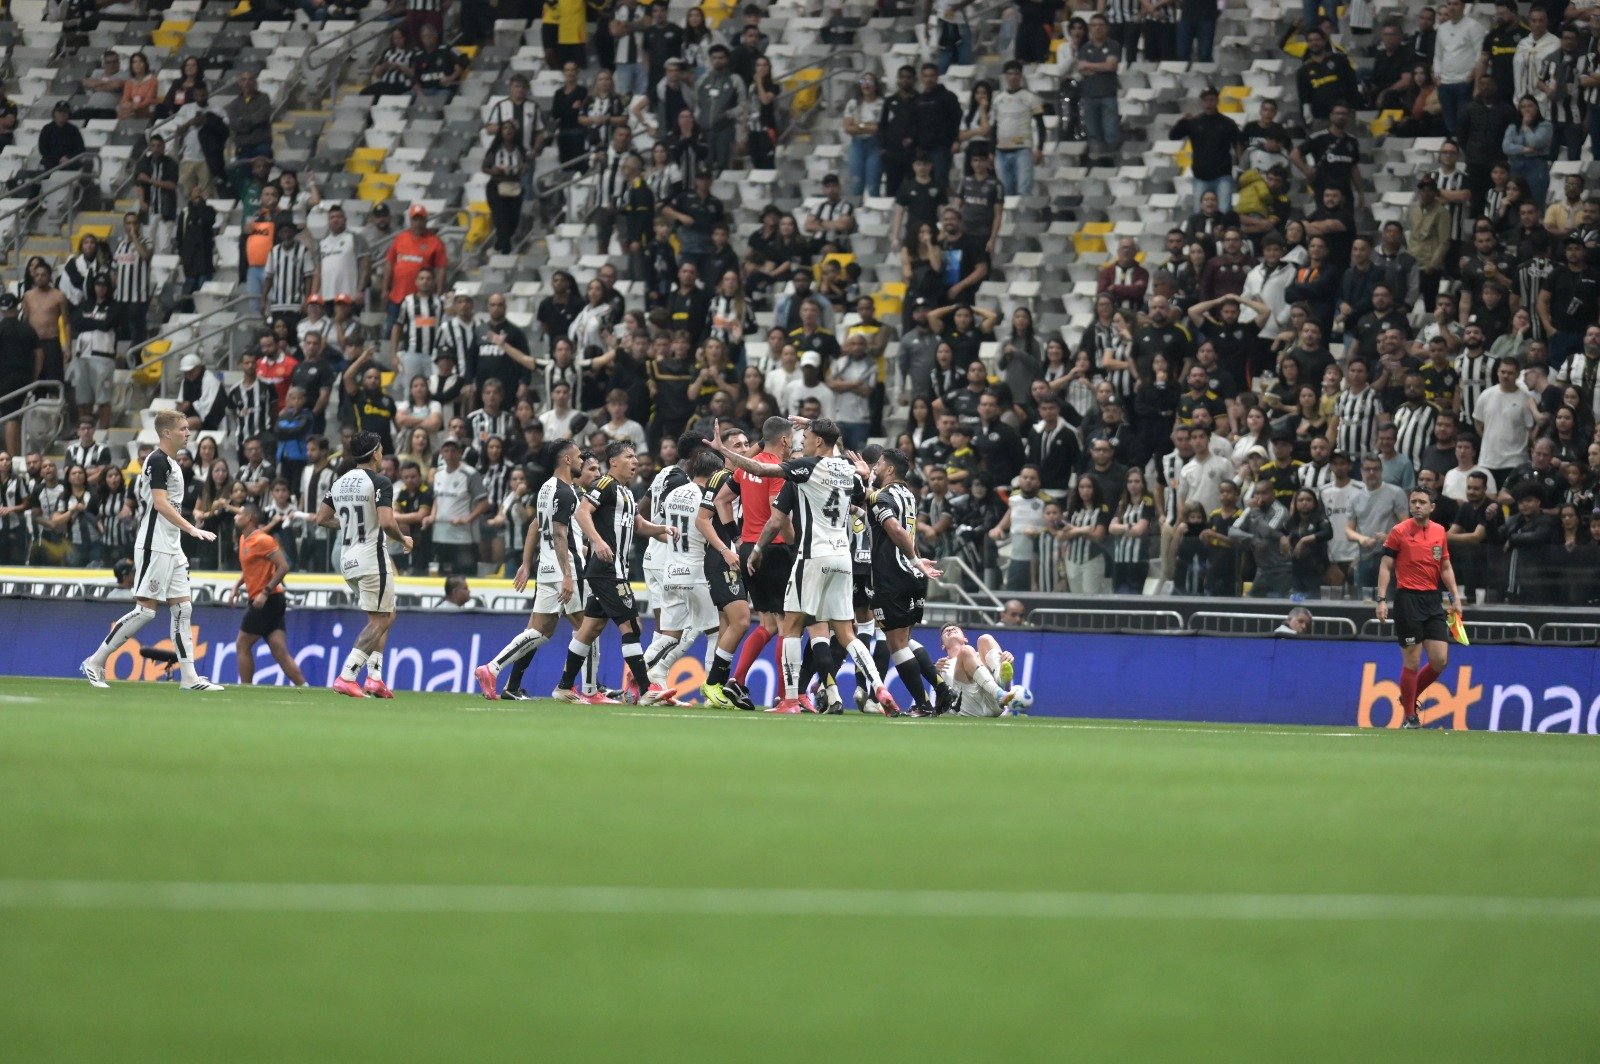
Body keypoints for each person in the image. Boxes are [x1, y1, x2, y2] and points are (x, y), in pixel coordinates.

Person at [718, 417, 897, 714]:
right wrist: (867, 477)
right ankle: (878, 686)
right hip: (843, 557)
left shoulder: (807, 468)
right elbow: (862, 497)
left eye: (808, 437)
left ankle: (789, 700)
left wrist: (725, 452)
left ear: (818, 442)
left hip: (813, 555)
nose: (803, 441)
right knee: (846, 632)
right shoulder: (848, 470)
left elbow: (760, 470)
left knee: (790, 626)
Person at [80, 410, 224, 692]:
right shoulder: (157, 461)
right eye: (183, 428)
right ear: (167, 433)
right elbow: (160, 503)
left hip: (171, 545)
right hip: (154, 544)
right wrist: (191, 529)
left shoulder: (172, 463)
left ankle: (189, 678)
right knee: (145, 611)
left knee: (183, 609)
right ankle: (95, 662)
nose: (188, 433)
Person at [477, 442, 601, 701]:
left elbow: (535, 525)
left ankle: (492, 668)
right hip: (567, 568)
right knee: (588, 628)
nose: (582, 461)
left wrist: (526, 563)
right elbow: (559, 533)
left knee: (540, 631)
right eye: (579, 457)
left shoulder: (546, 489)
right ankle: (589, 690)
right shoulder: (566, 492)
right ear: (567, 459)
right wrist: (567, 575)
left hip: (545, 568)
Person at [554, 441, 675, 703]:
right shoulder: (605, 485)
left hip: (613, 570)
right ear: (613, 461)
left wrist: (664, 529)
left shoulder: (626, 493)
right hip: (607, 570)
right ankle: (646, 690)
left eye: (635, 457)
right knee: (631, 626)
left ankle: (564, 687)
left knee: (591, 628)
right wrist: (597, 541)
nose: (635, 462)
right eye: (629, 457)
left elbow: (639, 526)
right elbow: (582, 513)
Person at [314, 431, 413, 699]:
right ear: (375, 453)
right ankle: (348, 675)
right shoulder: (380, 481)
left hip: (348, 559)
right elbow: (387, 522)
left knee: (383, 616)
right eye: (380, 448)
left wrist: (348, 525)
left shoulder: (340, 482)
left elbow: (321, 518)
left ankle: (375, 678)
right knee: (383, 619)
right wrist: (403, 539)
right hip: (371, 558)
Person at [1375, 487, 1464, 728]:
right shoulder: (1399, 531)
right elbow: (1386, 566)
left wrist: (1455, 597)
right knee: (1412, 660)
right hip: (1408, 600)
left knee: (1440, 660)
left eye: (1422, 502)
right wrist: (1381, 600)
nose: (1416, 505)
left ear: (1431, 507)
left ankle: (1409, 695)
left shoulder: (1439, 531)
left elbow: (1445, 566)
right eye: (1413, 501)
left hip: (1433, 600)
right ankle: (1410, 716)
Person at [230, 502, 308, 687]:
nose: (235, 516)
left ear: (249, 518)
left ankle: (246, 690)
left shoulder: (263, 540)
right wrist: (236, 586)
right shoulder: (243, 539)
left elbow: (283, 566)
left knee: (242, 645)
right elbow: (250, 569)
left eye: (239, 513)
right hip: (268, 600)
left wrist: (265, 592)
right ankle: (305, 687)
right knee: (279, 651)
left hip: (268, 600)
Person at [935, 624, 1023, 718]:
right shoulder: (941, 665)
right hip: (968, 707)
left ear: (965, 639)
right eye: (946, 631)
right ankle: (999, 693)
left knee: (985, 638)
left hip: (993, 703)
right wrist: (935, 671)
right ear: (943, 646)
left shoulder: (980, 656)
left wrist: (1006, 659)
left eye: (954, 628)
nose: (950, 630)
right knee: (965, 650)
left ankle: (1001, 682)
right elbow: (939, 702)